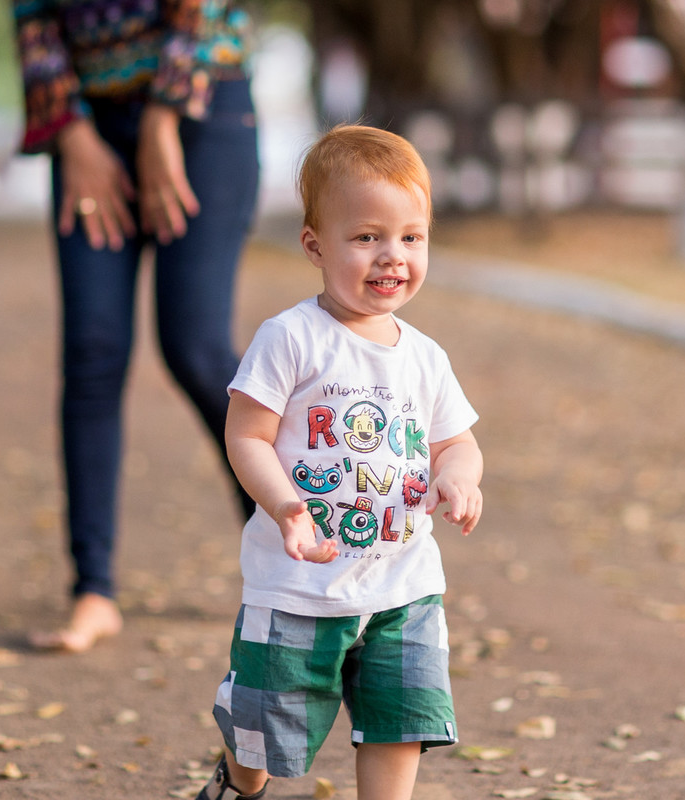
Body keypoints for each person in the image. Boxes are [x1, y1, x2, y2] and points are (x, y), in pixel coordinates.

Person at [195, 124, 484, 800]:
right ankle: (240, 784)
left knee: (398, 721)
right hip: (298, 584)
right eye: (366, 237)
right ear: (315, 245)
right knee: (266, 725)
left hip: (405, 584)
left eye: (412, 237)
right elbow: (247, 437)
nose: (393, 256)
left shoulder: (425, 356)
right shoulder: (290, 338)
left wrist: (457, 475)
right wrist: (288, 509)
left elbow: (456, 440)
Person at [13, 0, 260, 652]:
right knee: (92, 352)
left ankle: (289, 545)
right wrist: (71, 135)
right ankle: (93, 590)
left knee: (196, 347)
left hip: (204, 104)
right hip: (88, 125)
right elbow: (32, 19)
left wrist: (161, 116)